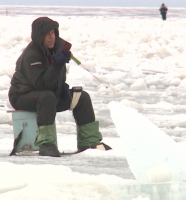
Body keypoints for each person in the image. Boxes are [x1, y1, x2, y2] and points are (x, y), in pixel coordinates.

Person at [8, 17, 111, 157]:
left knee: (81, 97)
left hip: (48, 94)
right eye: (47, 34)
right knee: (46, 97)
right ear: (40, 36)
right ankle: (46, 144)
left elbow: (55, 79)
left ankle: (90, 142)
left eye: (53, 33)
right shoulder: (31, 55)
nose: (52, 37)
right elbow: (41, 85)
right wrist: (57, 65)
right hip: (21, 95)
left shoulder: (55, 51)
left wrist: (62, 87)